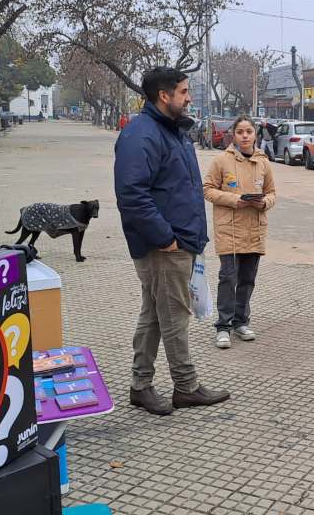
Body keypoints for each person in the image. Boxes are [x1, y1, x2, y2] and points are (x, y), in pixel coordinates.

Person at [114, 67, 231, 416]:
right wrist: (165, 237)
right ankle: (186, 386)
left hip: (179, 242)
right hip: (164, 246)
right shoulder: (142, 135)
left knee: (153, 315)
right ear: (164, 96)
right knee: (173, 318)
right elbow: (132, 195)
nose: (189, 97)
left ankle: (141, 385)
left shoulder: (172, 131)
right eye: (183, 91)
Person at [204, 114, 276, 349]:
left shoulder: (263, 162)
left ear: (255, 134)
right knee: (228, 277)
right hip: (229, 228)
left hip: (254, 228)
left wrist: (264, 202)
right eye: (240, 132)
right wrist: (236, 200)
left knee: (247, 279)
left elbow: (272, 192)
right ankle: (223, 326)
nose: (245, 136)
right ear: (233, 135)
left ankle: (241, 321)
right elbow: (208, 190)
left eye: (249, 131)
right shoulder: (221, 161)